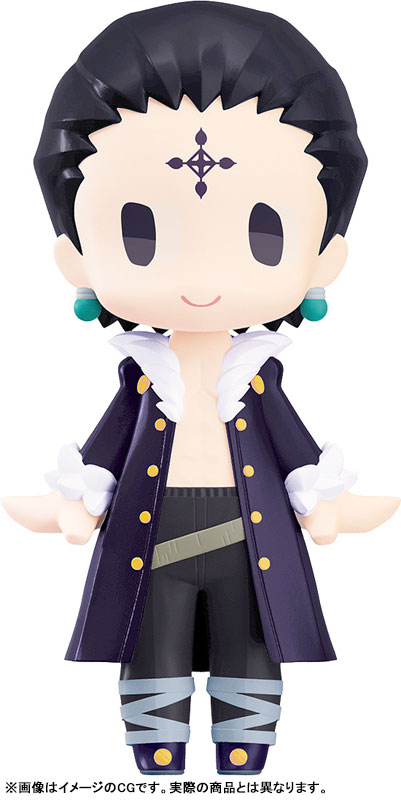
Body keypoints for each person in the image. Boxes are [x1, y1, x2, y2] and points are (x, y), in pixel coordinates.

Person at [2, 1, 399, 776]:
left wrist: (325, 503)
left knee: (250, 637)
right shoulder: (137, 378)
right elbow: (107, 449)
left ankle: (244, 746)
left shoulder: (260, 377)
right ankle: (156, 746)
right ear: (75, 256)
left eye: (263, 232)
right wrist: (73, 501)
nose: (202, 279)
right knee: (152, 636)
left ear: (323, 257)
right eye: (138, 230)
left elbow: (294, 450)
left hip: (251, 537)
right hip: (148, 536)